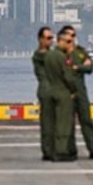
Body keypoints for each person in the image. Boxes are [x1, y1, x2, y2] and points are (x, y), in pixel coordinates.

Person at [64, 26, 93, 159]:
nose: (72, 38)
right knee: (68, 123)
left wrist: (77, 67)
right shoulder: (59, 53)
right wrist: (81, 67)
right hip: (66, 91)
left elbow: (90, 67)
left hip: (81, 91)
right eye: (69, 35)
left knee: (87, 121)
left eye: (73, 35)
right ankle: (70, 151)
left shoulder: (80, 52)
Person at [44, 28, 79, 162]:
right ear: (61, 41)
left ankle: (51, 150)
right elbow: (68, 77)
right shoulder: (63, 57)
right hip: (63, 91)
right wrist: (74, 90)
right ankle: (61, 151)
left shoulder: (49, 55)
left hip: (51, 89)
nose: (70, 44)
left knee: (52, 122)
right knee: (64, 123)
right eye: (68, 41)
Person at [31, 26, 55, 162]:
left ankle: (56, 148)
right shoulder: (39, 55)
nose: (50, 41)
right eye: (48, 38)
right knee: (47, 122)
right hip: (46, 89)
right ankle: (47, 150)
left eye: (52, 38)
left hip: (56, 88)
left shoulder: (52, 54)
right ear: (40, 39)